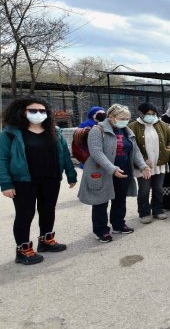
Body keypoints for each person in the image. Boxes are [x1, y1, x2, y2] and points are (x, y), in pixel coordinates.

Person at [0, 98, 77, 264]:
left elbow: (64, 154)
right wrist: (5, 183)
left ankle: (46, 240)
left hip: (51, 178)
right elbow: (3, 159)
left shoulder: (55, 131)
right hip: (24, 181)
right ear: (21, 112)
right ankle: (23, 250)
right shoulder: (10, 132)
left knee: (48, 210)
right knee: (25, 214)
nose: (38, 114)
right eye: (33, 111)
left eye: (42, 111)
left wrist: (71, 175)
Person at [78, 104, 151, 242]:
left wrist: (143, 166)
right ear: (111, 117)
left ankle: (118, 224)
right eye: (122, 118)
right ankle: (101, 230)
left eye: (128, 118)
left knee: (120, 199)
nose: (126, 121)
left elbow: (134, 150)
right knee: (101, 201)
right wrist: (112, 169)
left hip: (123, 171)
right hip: (103, 172)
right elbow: (96, 152)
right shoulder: (97, 129)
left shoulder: (126, 130)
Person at [129, 103, 170, 223]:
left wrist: (167, 152)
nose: (151, 116)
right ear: (141, 114)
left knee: (158, 189)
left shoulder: (162, 124)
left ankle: (158, 210)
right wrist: (142, 159)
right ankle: (144, 213)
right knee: (144, 189)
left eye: (153, 114)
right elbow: (131, 146)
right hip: (143, 166)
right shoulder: (132, 126)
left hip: (160, 163)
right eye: (148, 114)